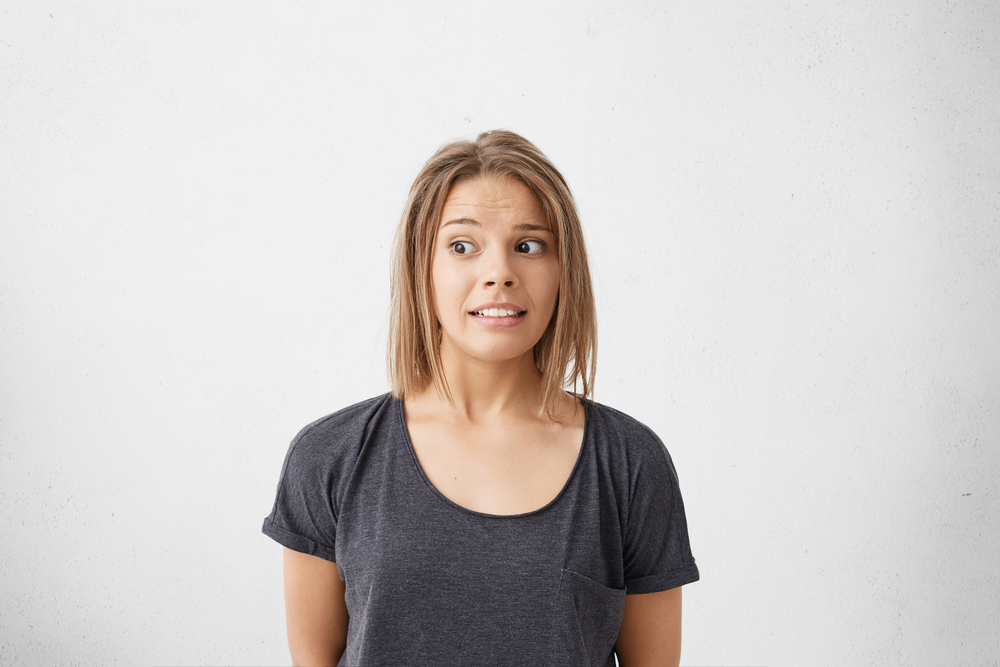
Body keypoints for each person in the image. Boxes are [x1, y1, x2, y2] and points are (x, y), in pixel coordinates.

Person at [262, 130, 699, 667]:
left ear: (565, 270)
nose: (499, 274)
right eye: (462, 246)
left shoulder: (630, 464)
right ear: (422, 266)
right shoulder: (330, 457)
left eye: (528, 245)